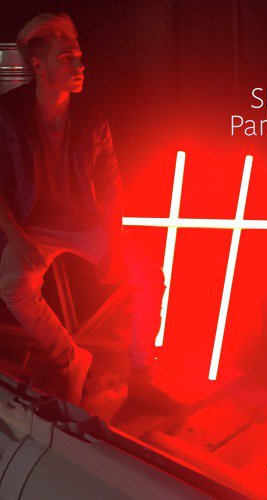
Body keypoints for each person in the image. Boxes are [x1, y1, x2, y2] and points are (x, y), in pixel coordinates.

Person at [0, 13, 164, 405]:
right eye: (66, 58)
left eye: (78, 56)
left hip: (87, 224)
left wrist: (114, 243)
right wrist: (18, 239)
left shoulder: (92, 120)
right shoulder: (7, 115)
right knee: (13, 286)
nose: (79, 65)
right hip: (33, 225)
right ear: (38, 66)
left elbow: (111, 186)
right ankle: (69, 359)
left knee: (149, 277)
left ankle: (142, 374)